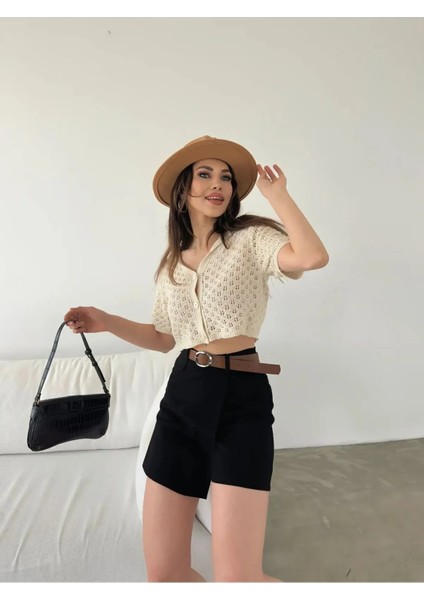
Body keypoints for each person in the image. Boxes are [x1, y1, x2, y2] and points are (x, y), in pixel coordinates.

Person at [64, 135, 329, 582]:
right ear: (182, 190)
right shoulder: (171, 265)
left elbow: (311, 256)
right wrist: (106, 321)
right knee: (164, 576)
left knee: (238, 580)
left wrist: (278, 196)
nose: (217, 184)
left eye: (225, 177)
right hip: (185, 394)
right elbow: (163, 338)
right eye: (204, 174)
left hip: (242, 395)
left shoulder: (251, 240)